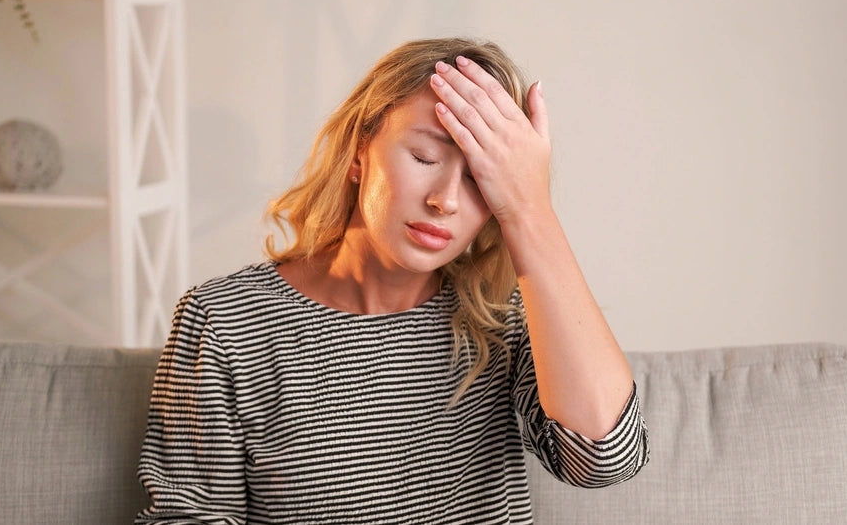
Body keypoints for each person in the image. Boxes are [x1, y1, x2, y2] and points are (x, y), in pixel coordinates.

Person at [135, 37, 649, 524]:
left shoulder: (508, 321)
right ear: (361, 151)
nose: (445, 200)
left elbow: (603, 458)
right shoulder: (226, 319)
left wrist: (529, 207)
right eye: (425, 157)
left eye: (481, 179)